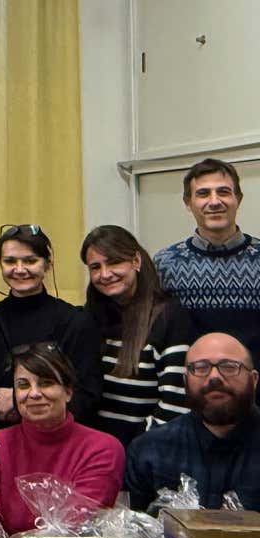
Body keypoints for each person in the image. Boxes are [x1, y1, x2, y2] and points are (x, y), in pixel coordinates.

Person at [0, 343, 125, 534]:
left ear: (68, 392)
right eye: (23, 385)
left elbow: (76, 527)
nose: (34, 394)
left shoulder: (103, 449)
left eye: (46, 383)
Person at [0, 224, 102, 428]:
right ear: (0, 264)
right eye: (10, 261)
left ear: (48, 264)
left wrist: (17, 401)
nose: (19, 269)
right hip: (1, 441)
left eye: (30, 261)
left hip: (60, 440)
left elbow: (87, 395)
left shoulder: (75, 322)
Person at [82, 225, 194, 446]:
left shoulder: (169, 317)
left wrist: (137, 451)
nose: (105, 274)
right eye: (96, 267)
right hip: (97, 450)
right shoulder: (90, 317)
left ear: (136, 261)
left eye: (114, 262)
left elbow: (176, 405)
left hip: (145, 451)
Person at [125, 333, 260, 512]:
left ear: (254, 379)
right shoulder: (149, 450)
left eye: (229, 366)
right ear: (185, 381)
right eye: (200, 367)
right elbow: (130, 535)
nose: (214, 377)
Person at [154, 158, 260, 364]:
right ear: (187, 203)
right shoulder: (165, 263)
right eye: (203, 193)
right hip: (188, 390)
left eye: (223, 192)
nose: (214, 201)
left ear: (238, 198)